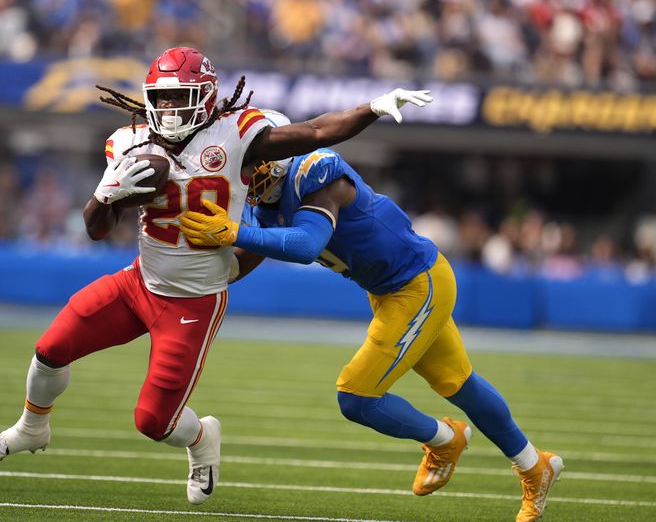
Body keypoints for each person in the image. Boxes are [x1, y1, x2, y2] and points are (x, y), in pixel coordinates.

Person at [0, 46, 434, 505]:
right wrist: (103, 196)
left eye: (179, 96)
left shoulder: (237, 134)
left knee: (154, 422)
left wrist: (372, 107)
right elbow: (96, 230)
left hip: (192, 303)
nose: (168, 108)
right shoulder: (129, 141)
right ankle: (31, 428)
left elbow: (314, 131)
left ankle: (202, 436)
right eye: (162, 97)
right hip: (138, 283)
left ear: (206, 95)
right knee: (50, 348)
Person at [177, 110, 564, 521]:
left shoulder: (319, 175)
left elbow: (306, 244)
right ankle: (535, 465)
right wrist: (200, 276)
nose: (247, 172)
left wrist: (234, 232)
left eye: (253, 162)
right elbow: (248, 254)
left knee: (356, 395)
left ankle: (445, 439)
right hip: (392, 291)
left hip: (418, 284)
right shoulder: (264, 206)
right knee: (459, 383)